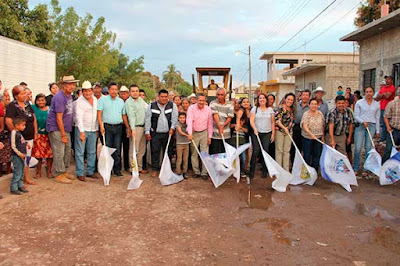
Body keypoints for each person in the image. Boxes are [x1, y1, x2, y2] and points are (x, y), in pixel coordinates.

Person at [46, 76, 77, 184]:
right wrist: (63, 134)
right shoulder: (59, 97)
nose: (72, 86)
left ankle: (63, 170)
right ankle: (58, 173)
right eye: (69, 84)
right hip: (56, 127)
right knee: (59, 151)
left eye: (73, 84)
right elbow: (58, 118)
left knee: (67, 150)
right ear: (63, 85)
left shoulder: (69, 96)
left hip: (65, 127)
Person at [6, 85, 38, 186]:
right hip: (19, 139)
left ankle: (25, 178)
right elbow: (8, 121)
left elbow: (34, 119)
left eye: (25, 93)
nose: (25, 95)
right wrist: (18, 135)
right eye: (22, 93)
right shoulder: (12, 106)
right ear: (16, 96)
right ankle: (18, 181)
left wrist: (36, 132)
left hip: (29, 137)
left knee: (27, 157)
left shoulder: (27, 104)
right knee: (19, 159)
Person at [98, 82, 130, 177]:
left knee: (117, 149)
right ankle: (108, 169)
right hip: (107, 127)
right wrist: (101, 126)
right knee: (107, 148)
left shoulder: (120, 101)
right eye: (112, 89)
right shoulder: (103, 100)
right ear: (108, 90)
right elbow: (99, 114)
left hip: (118, 127)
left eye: (116, 90)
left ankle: (117, 170)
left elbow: (123, 115)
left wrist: (128, 127)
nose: (114, 91)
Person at [145, 89, 178, 176]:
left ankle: (167, 169)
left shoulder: (172, 105)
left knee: (168, 151)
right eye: (162, 97)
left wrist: (172, 128)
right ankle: (155, 169)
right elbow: (148, 119)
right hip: (155, 133)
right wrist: (147, 132)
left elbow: (174, 118)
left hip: (168, 133)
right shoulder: (151, 106)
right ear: (158, 97)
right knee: (155, 151)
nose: (164, 98)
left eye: (165, 97)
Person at [73, 81, 100, 182]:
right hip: (82, 129)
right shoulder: (79, 102)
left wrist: (96, 128)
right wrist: (82, 132)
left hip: (93, 129)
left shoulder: (95, 100)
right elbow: (78, 117)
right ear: (82, 91)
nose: (87, 93)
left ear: (92, 91)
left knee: (92, 151)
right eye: (85, 91)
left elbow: (96, 115)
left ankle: (90, 171)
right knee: (80, 151)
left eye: (89, 91)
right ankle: (80, 172)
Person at [353, 87, 380, 175]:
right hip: (361, 126)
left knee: (368, 148)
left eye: (370, 92)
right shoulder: (359, 103)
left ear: (373, 93)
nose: (369, 93)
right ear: (365, 93)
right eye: (367, 92)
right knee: (358, 147)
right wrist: (362, 121)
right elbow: (356, 115)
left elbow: (377, 118)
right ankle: (356, 167)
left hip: (371, 126)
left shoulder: (377, 104)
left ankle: (366, 168)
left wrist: (377, 130)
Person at [187, 93, 213, 179]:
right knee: (194, 153)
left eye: (203, 100)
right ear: (196, 100)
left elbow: (210, 123)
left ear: (205, 101)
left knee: (205, 153)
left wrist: (209, 136)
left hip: (204, 132)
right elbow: (189, 121)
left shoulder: (208, 109)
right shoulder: (191, 108)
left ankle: (204, 172)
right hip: (194, 133)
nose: (201, 102)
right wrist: (190, 133)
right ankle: (196, 171)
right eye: (200, 100)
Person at [249, 93, 275, 178]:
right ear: (258, 100)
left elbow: (272, 122)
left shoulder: (270, 110)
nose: (262, 99)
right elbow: (252, 120)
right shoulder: (255, 109)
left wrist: (273, 134)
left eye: (264, 98)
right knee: (256, 151)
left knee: (265, 151)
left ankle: (264, 171)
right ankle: (251, 171)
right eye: (260, 98)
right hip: (256, 133)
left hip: (267, 133)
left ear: (266, 100)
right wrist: (255, 129)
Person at [125, 84, 148, 174]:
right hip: (136, 128)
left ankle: (139, 167)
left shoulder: (141, 100)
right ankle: (133, 168)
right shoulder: (129, 102)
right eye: (133, 91)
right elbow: (131, 116)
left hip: (143, 127)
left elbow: (147, 110)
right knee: (134, 149)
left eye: (137, 91)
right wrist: (132, 129)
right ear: (130, 92)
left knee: (142, 149)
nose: (135, 93)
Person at [32, 94, 53, 178]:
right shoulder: (34, 108)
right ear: (36, 101)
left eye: (42, 100)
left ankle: (49, 171)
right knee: (38, 155)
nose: (41, 102)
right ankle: (38, 172)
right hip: (38, 135)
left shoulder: (50, 109)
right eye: (39, 100)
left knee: (50, 154)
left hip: (49, 134)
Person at [300, 98, 325, 171]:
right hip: (307, 138)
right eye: (312, 104)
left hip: (318, 138)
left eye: (315, 104)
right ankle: (307, 171)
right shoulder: (306, 114)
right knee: (307, 155)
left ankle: (315, 171)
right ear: (309, 105)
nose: (314, 106)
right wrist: (311, 134)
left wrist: (322, 137)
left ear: (318, 105)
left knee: (316, 155)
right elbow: (304, 125)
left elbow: (323, 125)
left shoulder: (320, 113)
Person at [275, 93, 296, 171]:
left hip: (289, 132)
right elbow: (277, 120)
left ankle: (286, 169)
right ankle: (279, 170)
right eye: (288, 99)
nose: (290, 101)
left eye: (291, 100)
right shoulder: (280, 109)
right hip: (280, 132)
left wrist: (289, 129)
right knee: (279, 150)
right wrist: (284, 128)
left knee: (286, 151)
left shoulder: (292, 110)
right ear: (285, 99)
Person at [209, 88, 234, 154]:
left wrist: (222, 127)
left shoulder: (230, 104)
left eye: (222, 95)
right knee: (215, 153)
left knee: (225, 153)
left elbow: (230, 117)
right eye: (218, 94)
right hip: (215, 133)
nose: (220, 96)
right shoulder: (212, 103)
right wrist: (219, 127)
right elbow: (215, 115)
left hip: (226, 133)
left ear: (225, 95)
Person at [10, 117, 30, 195]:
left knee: (21, 171)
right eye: (23, 125)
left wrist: (26, 143)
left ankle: (20, 185)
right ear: (17, 125)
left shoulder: (19, 133)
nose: (24, 127)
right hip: (17, 156)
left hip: (22, 155)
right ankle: (14, 188)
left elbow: (21, 141)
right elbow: (13, 146)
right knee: (17, 171)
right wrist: (19, 153)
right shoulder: (14, 133)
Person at [291, 89, 310, 164]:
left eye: (307, 95)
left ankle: (305, 166)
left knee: (306, 149)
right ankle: (294, 165)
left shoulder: (311, 106)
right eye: (303, 95)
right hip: (296, 128)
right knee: (294, 148)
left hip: (307, 130)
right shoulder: (296, 105)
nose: (305, 97)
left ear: (309, 96)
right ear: (301, 96)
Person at [376, 75, 396, 142]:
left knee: (387, 124)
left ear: (392, 81)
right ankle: (382, 138)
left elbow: (388, 96)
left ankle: (386, 138)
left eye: (388, 79)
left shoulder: (392, 87)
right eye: (386, 79)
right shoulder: (383, 87)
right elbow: (377, 97)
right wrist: (383, 95)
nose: (387, 80)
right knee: (382, 124)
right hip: (382, 107)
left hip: (388, 108)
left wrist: (382, 95)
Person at [382, 89, 400, 163]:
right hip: (393, 130)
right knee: (389, 149)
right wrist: (388, 126)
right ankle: (383, 167)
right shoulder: (392, 103)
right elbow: (386, 116)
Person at [119, 86, 130, 172]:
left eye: (125, 93)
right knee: (118, 146)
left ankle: (126, 165)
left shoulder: (130, 102)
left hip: (128, 126)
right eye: (121, 93)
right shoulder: (118, 102)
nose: (123, 95)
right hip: (119, 126)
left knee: (127, 147)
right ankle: (117, 165)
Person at [0, 89, 11, 176]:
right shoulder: (1, 110)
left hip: (7, 134)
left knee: (8, 154)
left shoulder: (10, 109)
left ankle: (8, 171)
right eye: (5, 99)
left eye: (8, 99)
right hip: (1, 134)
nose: (7, 101)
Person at [175, 112, 190, 178]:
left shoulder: (187, 124)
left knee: (185, 159)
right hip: (179, 144)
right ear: (178, 118)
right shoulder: (178, 124)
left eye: (183, 118)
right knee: (179, 158)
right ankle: (178, 171)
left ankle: (185, 171)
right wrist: (187, 135)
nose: (182, 119)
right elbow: (180, 132)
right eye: (180, 118)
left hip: (186, 143)